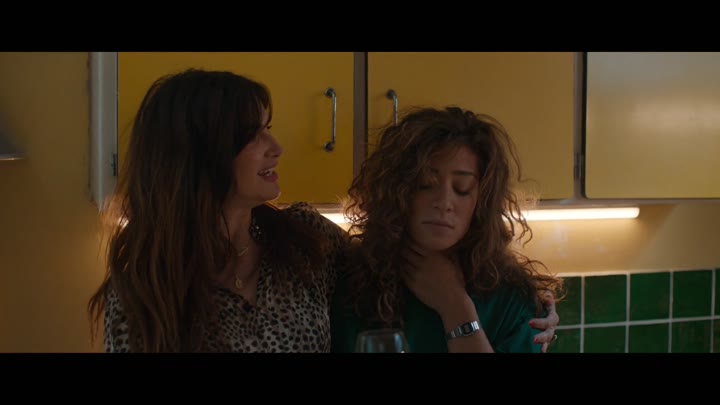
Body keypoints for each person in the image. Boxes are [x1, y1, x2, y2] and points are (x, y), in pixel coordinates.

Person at [87, 68, 559, 352]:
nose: (276, 146)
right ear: (199, 155)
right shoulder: (143, 289)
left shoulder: (306, 241)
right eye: (254, 135)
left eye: (463, 189)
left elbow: (397, 254)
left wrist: (513, 300)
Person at [330, 106, 564, 353]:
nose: (443, 202)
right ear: (398, 191)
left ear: (481, 202)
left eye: (462, 188)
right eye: (425, 184)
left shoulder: (513, 301)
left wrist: (455, 306)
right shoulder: (350, 286)